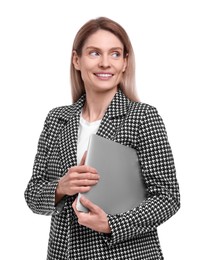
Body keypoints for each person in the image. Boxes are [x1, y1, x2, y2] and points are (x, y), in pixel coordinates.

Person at [25, 17, 180, 260]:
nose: (105, 63)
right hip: (63, 254)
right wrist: (60, 187)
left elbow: (167, 198)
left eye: (115, 54)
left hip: (126, 255)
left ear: (125, 62)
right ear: (77, 60)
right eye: (94, 53)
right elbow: (33, 193)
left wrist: (112, 224)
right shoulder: (57, 119)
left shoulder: (143, 117)